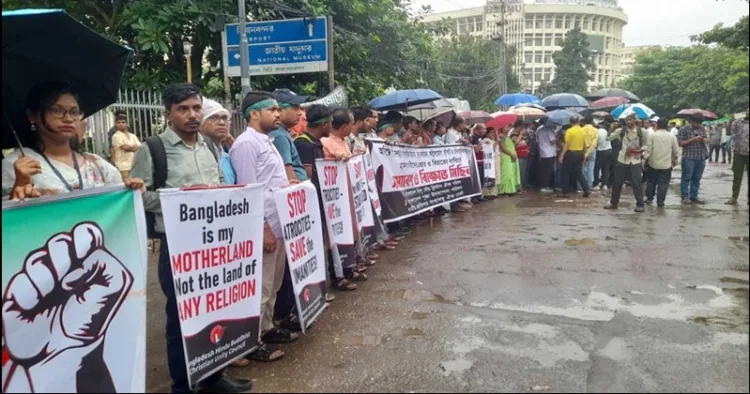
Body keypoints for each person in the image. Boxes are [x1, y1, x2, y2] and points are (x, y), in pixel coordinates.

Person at [129, 83, 251, 393]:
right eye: (183, 109)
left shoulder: (211, 146)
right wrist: (183, 199)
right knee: (180, 317)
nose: (192, 115)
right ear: (168, 113)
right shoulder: (153, 148)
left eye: (196, 108)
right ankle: (183, 385)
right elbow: (139, 197)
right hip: (179, 249)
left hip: (214, 244)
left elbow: (222, 184)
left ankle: (212, 376)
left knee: (215, 309)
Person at [229, 91, 300, 363]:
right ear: (254, 114)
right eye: (272, 110)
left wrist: (287, 186)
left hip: (280, 222)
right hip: (266, 225)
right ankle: (252, 340)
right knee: (262, 285)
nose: (278, 114)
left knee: (274, 282)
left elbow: (269, 181)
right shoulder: (246, 144)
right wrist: (263, 228)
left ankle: (267, 328)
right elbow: (249, 190)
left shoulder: (266, 141)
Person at [4, 82, 144, 200]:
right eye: (57, 110)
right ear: (32, 116)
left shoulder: (97, 165)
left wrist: (133, 189)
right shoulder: (18, 165)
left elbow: (120, 203)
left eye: (74, 112)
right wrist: (19, 185)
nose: (68, 119)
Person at [604, 114, 647, 212]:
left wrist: (640, 150)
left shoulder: (642, 132)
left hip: (635, 160)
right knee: (617, 182)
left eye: (630, 120)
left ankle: (640, 204)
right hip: (622, 159)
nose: (628, 122)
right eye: (627, 120)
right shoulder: (621, 131)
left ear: (635, 120)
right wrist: (611, 129)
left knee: (636, 183)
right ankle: (613, 203)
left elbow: (648, 145)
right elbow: (607, 138)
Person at [270, 88, 308, 183]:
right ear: (280, 110)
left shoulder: (282, 132)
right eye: (295, 108)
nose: (300, 113)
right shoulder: (279, 136)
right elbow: (288, 172)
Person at [200, 98, 236, 184]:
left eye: (224, 118)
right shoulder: (197, 156)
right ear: (200, 123)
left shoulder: (228, 158)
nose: (222, 123)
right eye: (213, 118)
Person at [645, 118, 680, 207]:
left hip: (653, 163)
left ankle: (649, 198)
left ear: (657, 125)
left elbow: (648, 149)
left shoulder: (653, 135)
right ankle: (660, 202)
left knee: (651, 182)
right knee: (663, 183)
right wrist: (674, 160)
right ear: (667, 125)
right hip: (666, 165)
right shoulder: (672, 136)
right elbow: (676, 151)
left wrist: (645, 159)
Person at [678, 115, 709, 204]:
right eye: (697, 122)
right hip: (689, 157)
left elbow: (706, 139)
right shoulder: (683, 129)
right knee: (686, 178)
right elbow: (680, 143)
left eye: (700, 123)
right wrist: (693, 139)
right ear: (691, 121)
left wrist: (704, 140)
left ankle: (694, 196)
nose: (699, 124)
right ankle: (685, 196)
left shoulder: (702, 128)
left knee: (696, 178)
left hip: (701, 157)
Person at [558, 115, 591, 198]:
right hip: (580, 153)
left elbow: (566, 144)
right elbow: (584, 145)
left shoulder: (569, 131)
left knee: (565, 172)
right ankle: (586, 189)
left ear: (570, 122)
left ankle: (565, 192)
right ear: (578, 122)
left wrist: (561, 155)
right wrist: (585, 155)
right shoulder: (583, 131)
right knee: (578, 172)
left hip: (571, 153)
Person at [726, 109, 749, 205]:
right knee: (737, 176)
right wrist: (730, 121)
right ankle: (734, 197)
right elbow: (729, 133)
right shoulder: (737, 122)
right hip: (738, 153)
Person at [110, 114, 141, 179]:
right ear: (115, 124)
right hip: (123, 167)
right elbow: (125, 148)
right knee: (126, 186)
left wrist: (131, 147)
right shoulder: (116, 136)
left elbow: (140, 147)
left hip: (134, 165)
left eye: (123, 122)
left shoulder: (133, 136)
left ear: (127, 124)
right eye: (118, 122)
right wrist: (134, 147)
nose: (121, 124)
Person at [498, 125, 521, 196]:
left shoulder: (507, 137)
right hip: (506, 157)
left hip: (511, 157)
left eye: (509, 127)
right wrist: (511, 154)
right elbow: (503, 147)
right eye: (506, 127)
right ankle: (503, 190)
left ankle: (510, 189)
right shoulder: (501, 137)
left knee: (511, 172)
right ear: (501, 128)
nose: (508, 129)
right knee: (506, 172)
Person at [536, 119, 557, 193]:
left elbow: (537, 142)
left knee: (543, 170)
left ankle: (543, 185)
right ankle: (545, 186)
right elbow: (552, 141)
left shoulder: (539, 130)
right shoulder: (549, 130)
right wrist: (558, 137)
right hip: (550, 153)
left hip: (543, 152)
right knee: (548, 170)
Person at [509, 121, 529, 188]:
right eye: (522, 127)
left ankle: (522, 185)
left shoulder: (520, 133)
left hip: (524, 154)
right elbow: (516, 142)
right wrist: (521, 134)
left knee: (523, 171)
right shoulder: (513, 134)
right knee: (520, 171)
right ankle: (519, 186)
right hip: (519, 154)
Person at [594, 120, 613, 190]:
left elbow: (595, 143)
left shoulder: (597, 132)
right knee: (606, 168)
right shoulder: (606, 132)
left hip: (600, 151)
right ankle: (605, 184)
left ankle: (596, 184)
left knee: (597, 168)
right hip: (609, 150)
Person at [582, 116, 599, 189]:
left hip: (583, 149)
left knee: (583, 168)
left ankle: (582, 185)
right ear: (592, 121)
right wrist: (589, 152)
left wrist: (585, 153)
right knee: (591, 167)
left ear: (584, 122)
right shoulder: (596, 130)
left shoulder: (581, 130)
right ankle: (589, 185)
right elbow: (594, 144)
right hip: (592, 150)